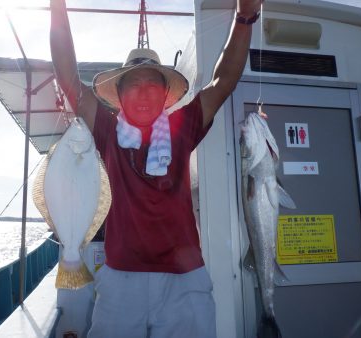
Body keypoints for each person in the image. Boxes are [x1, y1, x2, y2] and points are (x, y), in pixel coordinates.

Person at [50, 0, 263, 337]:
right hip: (119, 279)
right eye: (133, 84)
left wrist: (245, 17)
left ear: (166, 95)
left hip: (185, 281)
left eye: (153, 83)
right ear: (118, 96)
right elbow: (69, 79)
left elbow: (223, 82)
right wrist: (57, 7)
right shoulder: (107, 132)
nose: (144, 92)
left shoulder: (183, 127)